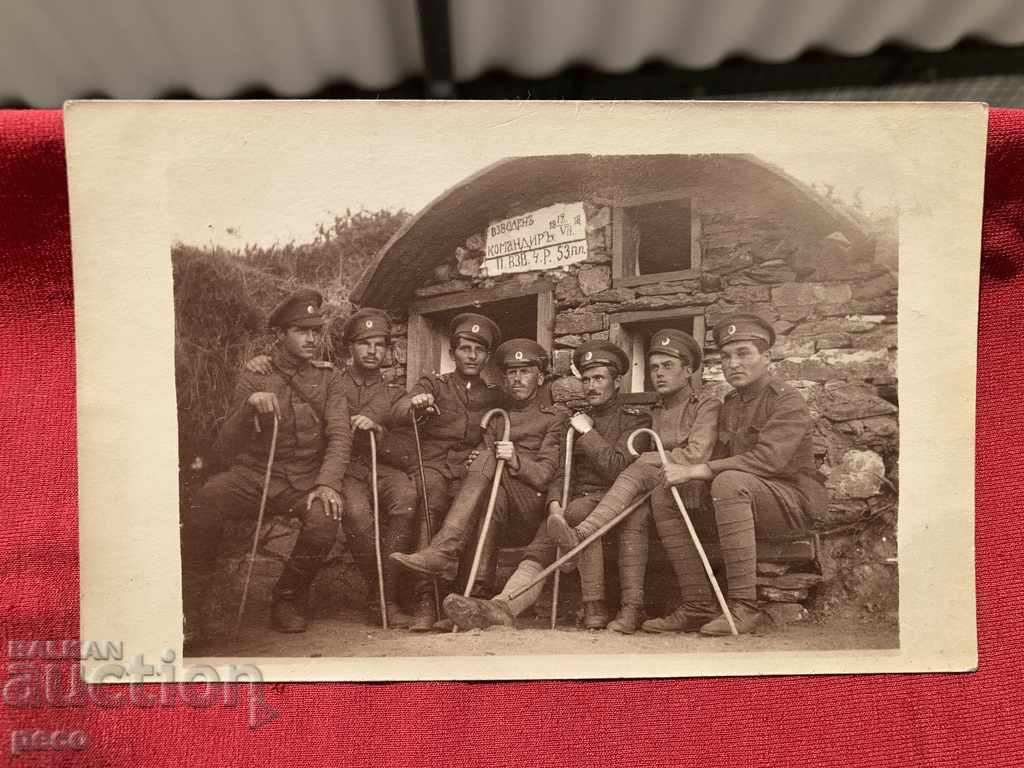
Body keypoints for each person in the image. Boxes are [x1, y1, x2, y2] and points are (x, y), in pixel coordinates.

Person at [441, 340, 651, 633]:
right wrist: (553, 505)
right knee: (543, 541)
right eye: (586, 379)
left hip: (613, 501)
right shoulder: (575, 420)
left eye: (599, 378)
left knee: (573, 514)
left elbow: (618, 469)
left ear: (617, 381)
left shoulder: (635, 419)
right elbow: (561, 472)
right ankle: (502, 607)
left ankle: (593, 605)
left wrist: (588, 432)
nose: (591, 386)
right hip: (573, 502)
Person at [181, 289, 351, 645]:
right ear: (280, 335)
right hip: (253, 477)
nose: (311, 339)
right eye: (300, 331)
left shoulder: (328, 379)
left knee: (324, 519)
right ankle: (192, 609)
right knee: (205, 502)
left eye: (315, 331)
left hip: (303, 481)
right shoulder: (255, 375)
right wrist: (248, 409)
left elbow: (339, 435)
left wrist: (328, 484)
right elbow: (223, 447)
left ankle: (287, 598)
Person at [656, 313, 828, 635]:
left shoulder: (787, 399)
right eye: (725, 356)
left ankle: (744, 608)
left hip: (791, 502)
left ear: (767, 357)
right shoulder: (732, 402)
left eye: (744, 353)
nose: (733, 363)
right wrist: (692, 479)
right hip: (742, 499)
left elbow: (769, 461)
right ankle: (697, 604)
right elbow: (723, 455)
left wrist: (701, 470)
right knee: (667, 491)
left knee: (728, 481)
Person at [247, 307, 420, 627]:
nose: (372, 351)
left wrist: (380, 432)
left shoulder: (395, 392)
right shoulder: (328, 381)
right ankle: (383, 597)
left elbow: (406, 442)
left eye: (379, 345)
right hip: (343, 470)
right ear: (349, 348)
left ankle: (389, 591)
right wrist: (260, 362)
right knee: (354, 511)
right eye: (364, 343)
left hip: (380, 467)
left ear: (387, 351)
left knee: (407, 497)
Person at [546, 328, 722, 635]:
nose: (659, 374)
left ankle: (583, 534)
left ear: (689, 370)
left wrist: (653, 458)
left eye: (667, 366)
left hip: (691, 492)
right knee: (634, 507)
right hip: (655, 493)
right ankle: (626, 608)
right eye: (654, 368)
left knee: (642, 468)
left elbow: (696, 454)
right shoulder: (654, 410)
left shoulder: (705, 405)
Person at [390, 338, 566, 605]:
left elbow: (544, 475)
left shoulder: (553, 418)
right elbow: (481, 469)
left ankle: (443, 550)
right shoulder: (497, 417)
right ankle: (472, 595)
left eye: (525, 372)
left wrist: (514, 459)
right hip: (501, 502)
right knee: (491, 499)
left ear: (540, 378)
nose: (517, 379)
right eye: (512, 372)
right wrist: (481, 460)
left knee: (486, 461)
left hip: (531, 506)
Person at [389, 313, 503, 631]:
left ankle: (462, 598)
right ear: (453, 351)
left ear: (487, 356)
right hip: (433, 466)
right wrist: (416, 404)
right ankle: (425, 600)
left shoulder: (494, 395)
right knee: (431, 496)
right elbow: (398, 411)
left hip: (467, 472)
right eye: (465, 348)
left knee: (481, 507)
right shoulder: (434, 384)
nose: (471, 356)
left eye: (479, 351)